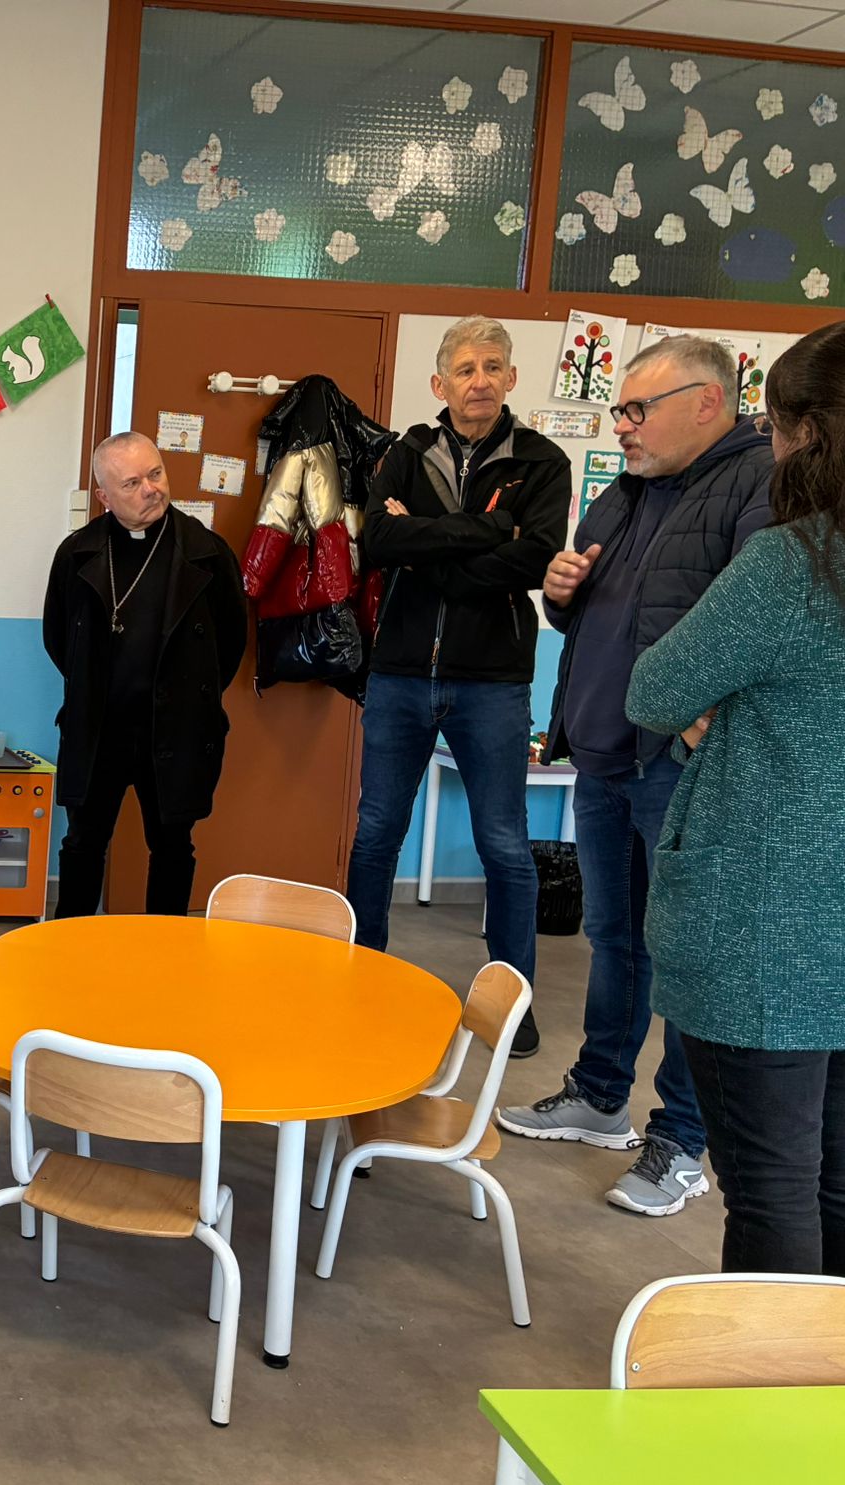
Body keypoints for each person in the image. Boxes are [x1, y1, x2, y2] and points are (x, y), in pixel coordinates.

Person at [498, 335, 775, 1219]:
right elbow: (591, 612)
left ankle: (682, 1141)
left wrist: (697, 717)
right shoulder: (624, 492)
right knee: (614, 939)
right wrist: (561, 591)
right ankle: (599, 1095)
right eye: (619, 409)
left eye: (636, 409)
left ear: (707, 402)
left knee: (686, 956)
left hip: (682, 767)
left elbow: (757, 621)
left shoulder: (758, 482)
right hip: (606, 752)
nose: (621, 426)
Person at [623, 319, 845, 1275]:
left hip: (770, 927)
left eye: (778, 425)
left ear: (809, 433)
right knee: (836, 1184)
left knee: (770, 1188)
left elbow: (656, 688)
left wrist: (710, 708)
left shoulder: (795, 562)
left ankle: (770, 1370)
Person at [346, 315, 569, 1056]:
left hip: (493, 681)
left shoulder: (541, 462)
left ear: (511, 378)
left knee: (504, 844)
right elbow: (378, 542)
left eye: (493, 366)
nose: (480, 380)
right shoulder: (405, 452)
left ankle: (513, 1003)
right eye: (466, 369)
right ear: (440, 383)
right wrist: (489, 530)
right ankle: (359, 978)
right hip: (401, 674)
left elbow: (533, 559)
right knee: (377, 832)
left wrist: (428, 544)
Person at [43, 430, 248, 917]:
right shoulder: (77, 554)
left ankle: (166, 948)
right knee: (82, 842)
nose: (151, 490)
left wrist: (189, 697)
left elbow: (230, 643)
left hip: (176, 728)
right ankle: (67, 943)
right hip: (99, 728)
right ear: (104, 496)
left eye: (155, 474)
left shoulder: (207, 551)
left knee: (174, 844)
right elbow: (59, 638)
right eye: (132, 483)